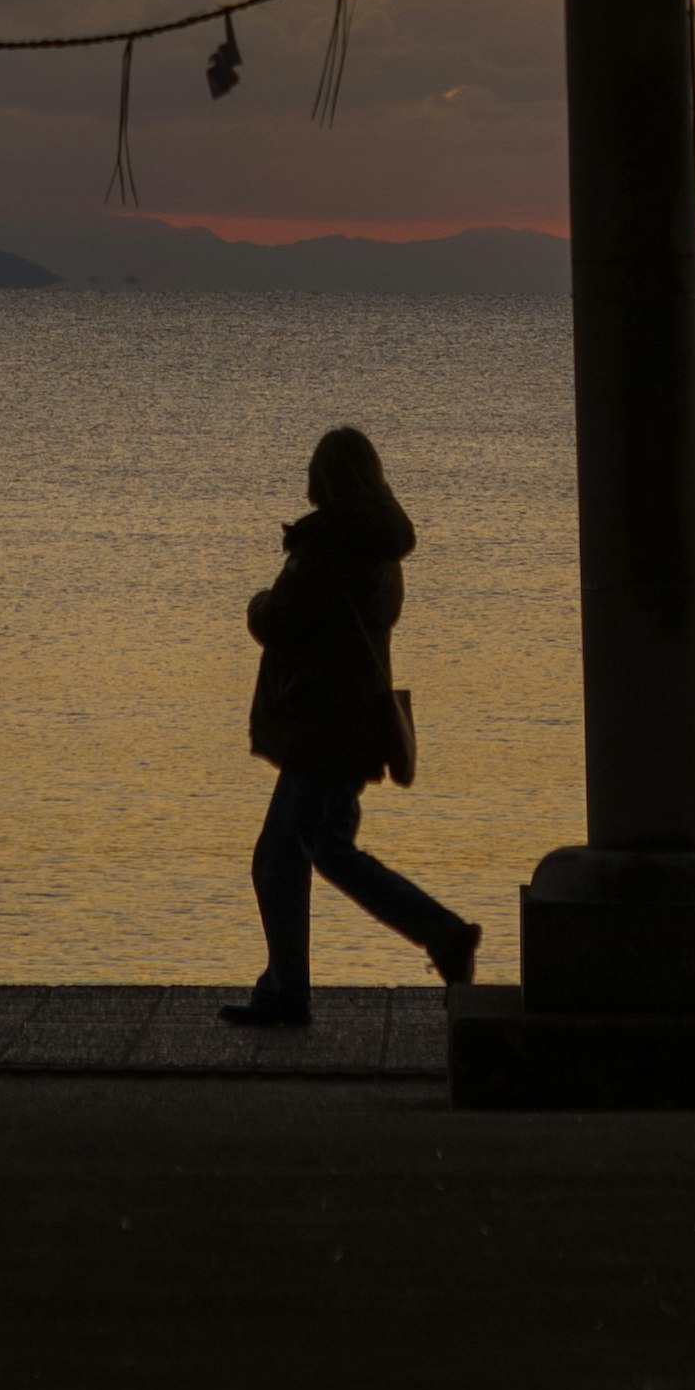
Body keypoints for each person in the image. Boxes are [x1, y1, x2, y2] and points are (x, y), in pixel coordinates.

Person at [222, 421, 481, 1030]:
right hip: (355, 720)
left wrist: (256, 602)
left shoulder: (329, 545)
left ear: (324, 478)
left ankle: (297, 989)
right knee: (314, 851)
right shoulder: (382, 546)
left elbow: (279, 619)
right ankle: (435, 938)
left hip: (322, 726)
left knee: (288, 855)